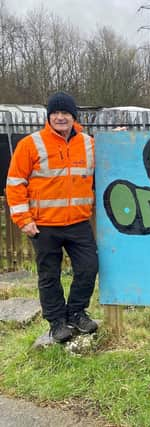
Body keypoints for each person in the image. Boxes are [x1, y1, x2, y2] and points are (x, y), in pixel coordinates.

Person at [5, 92, 99, 343]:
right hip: (44, 226)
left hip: (78, 223)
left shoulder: (89, 144)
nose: (60, 117)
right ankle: (57, 322)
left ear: (73, 116)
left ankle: (77, 312)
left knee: (89, 268)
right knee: (49, 276)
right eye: (55, 113)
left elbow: (114, 159)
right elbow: (15, 184)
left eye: (65, 113)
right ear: (48, 116)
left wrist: (120, 137)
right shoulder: (30, 144)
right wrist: (24, 220)